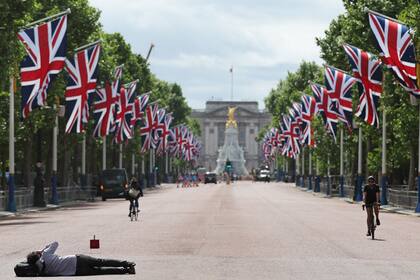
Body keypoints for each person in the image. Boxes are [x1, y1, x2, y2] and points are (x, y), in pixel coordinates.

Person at [26, 241, 135, 276]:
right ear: (38, 255)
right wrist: (41, 250)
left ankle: (126, 271)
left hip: (76, 271)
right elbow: (55, 243)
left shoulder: (43, 272)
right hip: (76, 259)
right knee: (102, 262)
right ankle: (127, 263)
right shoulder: (45, 254)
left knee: (101, 271)